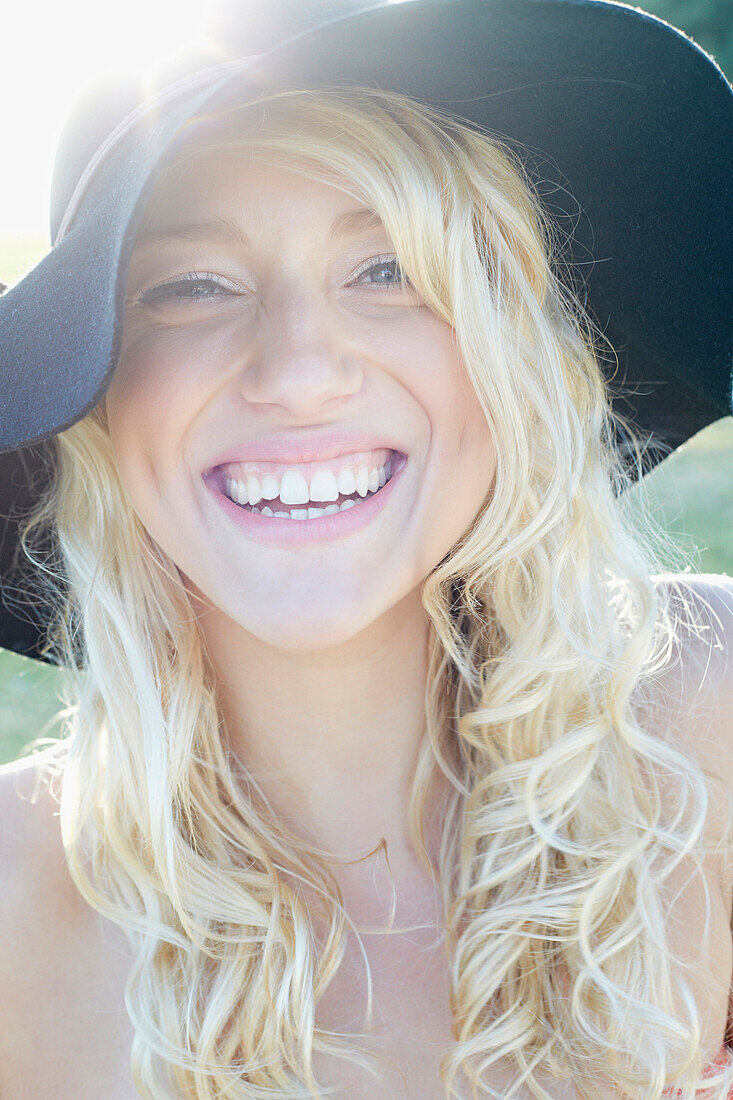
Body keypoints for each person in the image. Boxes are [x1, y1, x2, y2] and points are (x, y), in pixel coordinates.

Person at [0, 2, 731, 1097]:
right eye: (192, 285)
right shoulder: (15, 897)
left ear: (512, 358)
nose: (299, 370)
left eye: (387, 269)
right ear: (91, 397)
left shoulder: (708, 712)